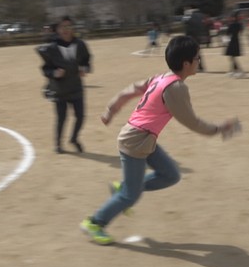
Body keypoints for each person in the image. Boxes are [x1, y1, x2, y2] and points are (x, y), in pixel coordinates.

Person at [79, 35, 240, 245]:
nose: (199, 62)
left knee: (171, 175)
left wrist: (112, 109)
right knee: (131, 196)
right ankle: (95, 222)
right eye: (197, 58)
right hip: (137, 141)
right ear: (186, 63)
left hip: (142, 138)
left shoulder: (161, 78)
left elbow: (131, 89)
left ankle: (124, 188)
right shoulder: (176, 88)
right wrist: (219, 129)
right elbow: (191, 121)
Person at [36, 16, 91, 154]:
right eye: (62, 27)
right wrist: (54, 73)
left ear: (73, 28)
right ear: (57, 30)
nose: (66, 29)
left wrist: (85, 68)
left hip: (76, 87)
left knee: (81, 116)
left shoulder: (80, 45)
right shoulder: (50, 48)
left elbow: (86, 60)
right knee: (62, 118)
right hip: (60, 89)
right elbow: (45, 69)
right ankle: (58, 144)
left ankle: (74, 138)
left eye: (68, 26)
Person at [182, 5, 207, 72]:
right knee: (196, 53)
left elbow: (187, 28)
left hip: (192, 38)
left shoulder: (189, 19)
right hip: (196, 37)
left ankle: (197, 67)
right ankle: (199, 66)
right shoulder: (196, 18)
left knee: (193, 53)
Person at [225, 10, 244, 78]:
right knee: (233, 57)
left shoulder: (231, 24)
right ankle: (233, 70)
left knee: (232, 57)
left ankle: (238, 70)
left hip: (231, 41)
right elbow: (241, 31)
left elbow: (227, 33)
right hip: (237, 41)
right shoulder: (239, 24)